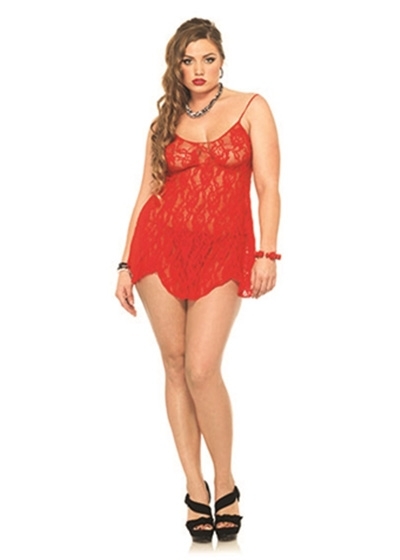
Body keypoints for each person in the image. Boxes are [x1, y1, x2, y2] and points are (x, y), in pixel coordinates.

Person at [115, 17, 280, 543]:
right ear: (177, 67)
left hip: (225, 250)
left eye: (208, 58)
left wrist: (267, 252)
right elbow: (146, 193)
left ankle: (225, 482)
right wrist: (124, 263)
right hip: (160, 247)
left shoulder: (252, 108)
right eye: (188, 61)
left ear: (222, 60)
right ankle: (194, 487)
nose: (199, 69)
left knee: (203, 368)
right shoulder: (163, 122)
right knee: (175, 363)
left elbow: (268, 187)